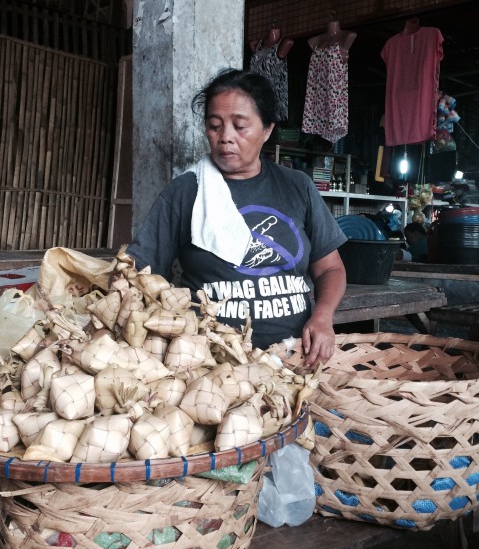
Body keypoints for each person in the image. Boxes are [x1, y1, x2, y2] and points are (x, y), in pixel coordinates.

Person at [128, 69, 348, 367]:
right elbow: (140, 273)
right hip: (212, 362)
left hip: (294, 355)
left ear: (267, 129)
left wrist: (323, 317)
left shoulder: (297, 186)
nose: (225, 138)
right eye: (214, 126)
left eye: (239, 126)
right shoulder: (187, 191)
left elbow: (330, 269)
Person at [249, 27, 294, 121]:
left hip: (273, 93)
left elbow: (290, 42)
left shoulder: (284, 44)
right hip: (256, 91)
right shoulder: (256, 44)